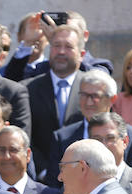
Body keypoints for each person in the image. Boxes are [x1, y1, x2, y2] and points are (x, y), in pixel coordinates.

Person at [52, 70, 132, 181]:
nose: (88, 102)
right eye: (84, 95)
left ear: (112, 99)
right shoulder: (62, 137)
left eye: (95, 96)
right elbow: (55, 183)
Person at [22, 25, 86, 180]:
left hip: (84, 177)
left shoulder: (92, 88)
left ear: (81, 54)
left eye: (68, 47)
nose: (61, 51)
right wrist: (44, 171)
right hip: (40, 179)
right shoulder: (27, 89)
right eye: (56, 46)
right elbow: (24, 135)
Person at [3, 11, 114, 82]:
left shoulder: (99, 65)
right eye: (60, 31)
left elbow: (95, 81)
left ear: (85, 36)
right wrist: (27, 43)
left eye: (71, 31)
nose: (63, 35)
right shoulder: (42, 68)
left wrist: (56, 42)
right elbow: (13, 85)